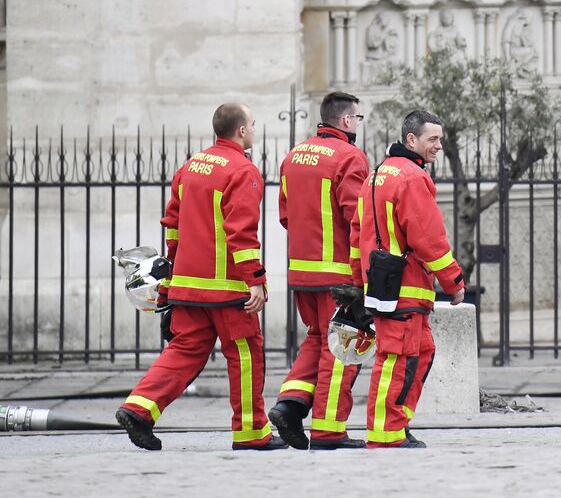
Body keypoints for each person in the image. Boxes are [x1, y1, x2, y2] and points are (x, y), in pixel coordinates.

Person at [115, 104, 283, 451]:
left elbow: (172, 226)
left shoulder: (191, 166)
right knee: (246, 353)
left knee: (185, 350)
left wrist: (174, 273)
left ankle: (139, 408)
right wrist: (255, 280)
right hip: (228, 289)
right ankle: (252, 433)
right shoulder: (243, 171)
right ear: (240, 131)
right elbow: (241, 234)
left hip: (188, 286)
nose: (254, 128)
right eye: (252, 123)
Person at [351, 110, 467, 448]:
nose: (439, 146)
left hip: (382, 284)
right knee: (397, 358)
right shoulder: (413, 178)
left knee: (421, 352)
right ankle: (386, 433)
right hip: (407, 286)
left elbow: (357, 234)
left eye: (440, 139)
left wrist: (360, 282)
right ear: (411, 140)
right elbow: (428, 237)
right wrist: (454, 281)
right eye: (433, 139)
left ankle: (396, 426)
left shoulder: (375, 175)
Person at [267, 92, 370, 450]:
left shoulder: (293, 156)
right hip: (338, 275)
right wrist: (363, 275)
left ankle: (289, 406)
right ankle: (328, 430)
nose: (358, 124)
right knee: (343, 348)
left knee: (316, 338)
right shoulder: (350, 158)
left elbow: (284, 216)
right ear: (345, 121)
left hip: (301, 272)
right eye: (357, 118)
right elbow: (358, 219)